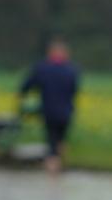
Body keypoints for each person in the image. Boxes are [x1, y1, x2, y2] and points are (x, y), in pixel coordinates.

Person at [20, 39, 80, 173]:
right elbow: (74, 90)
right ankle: (62, 167)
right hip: (66, 112)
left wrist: (23, 99)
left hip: (49, 111)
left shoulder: (42, 68)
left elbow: (26, 86)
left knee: (51, 142)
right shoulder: (72, 70)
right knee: (61, 140)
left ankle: (52, 176)